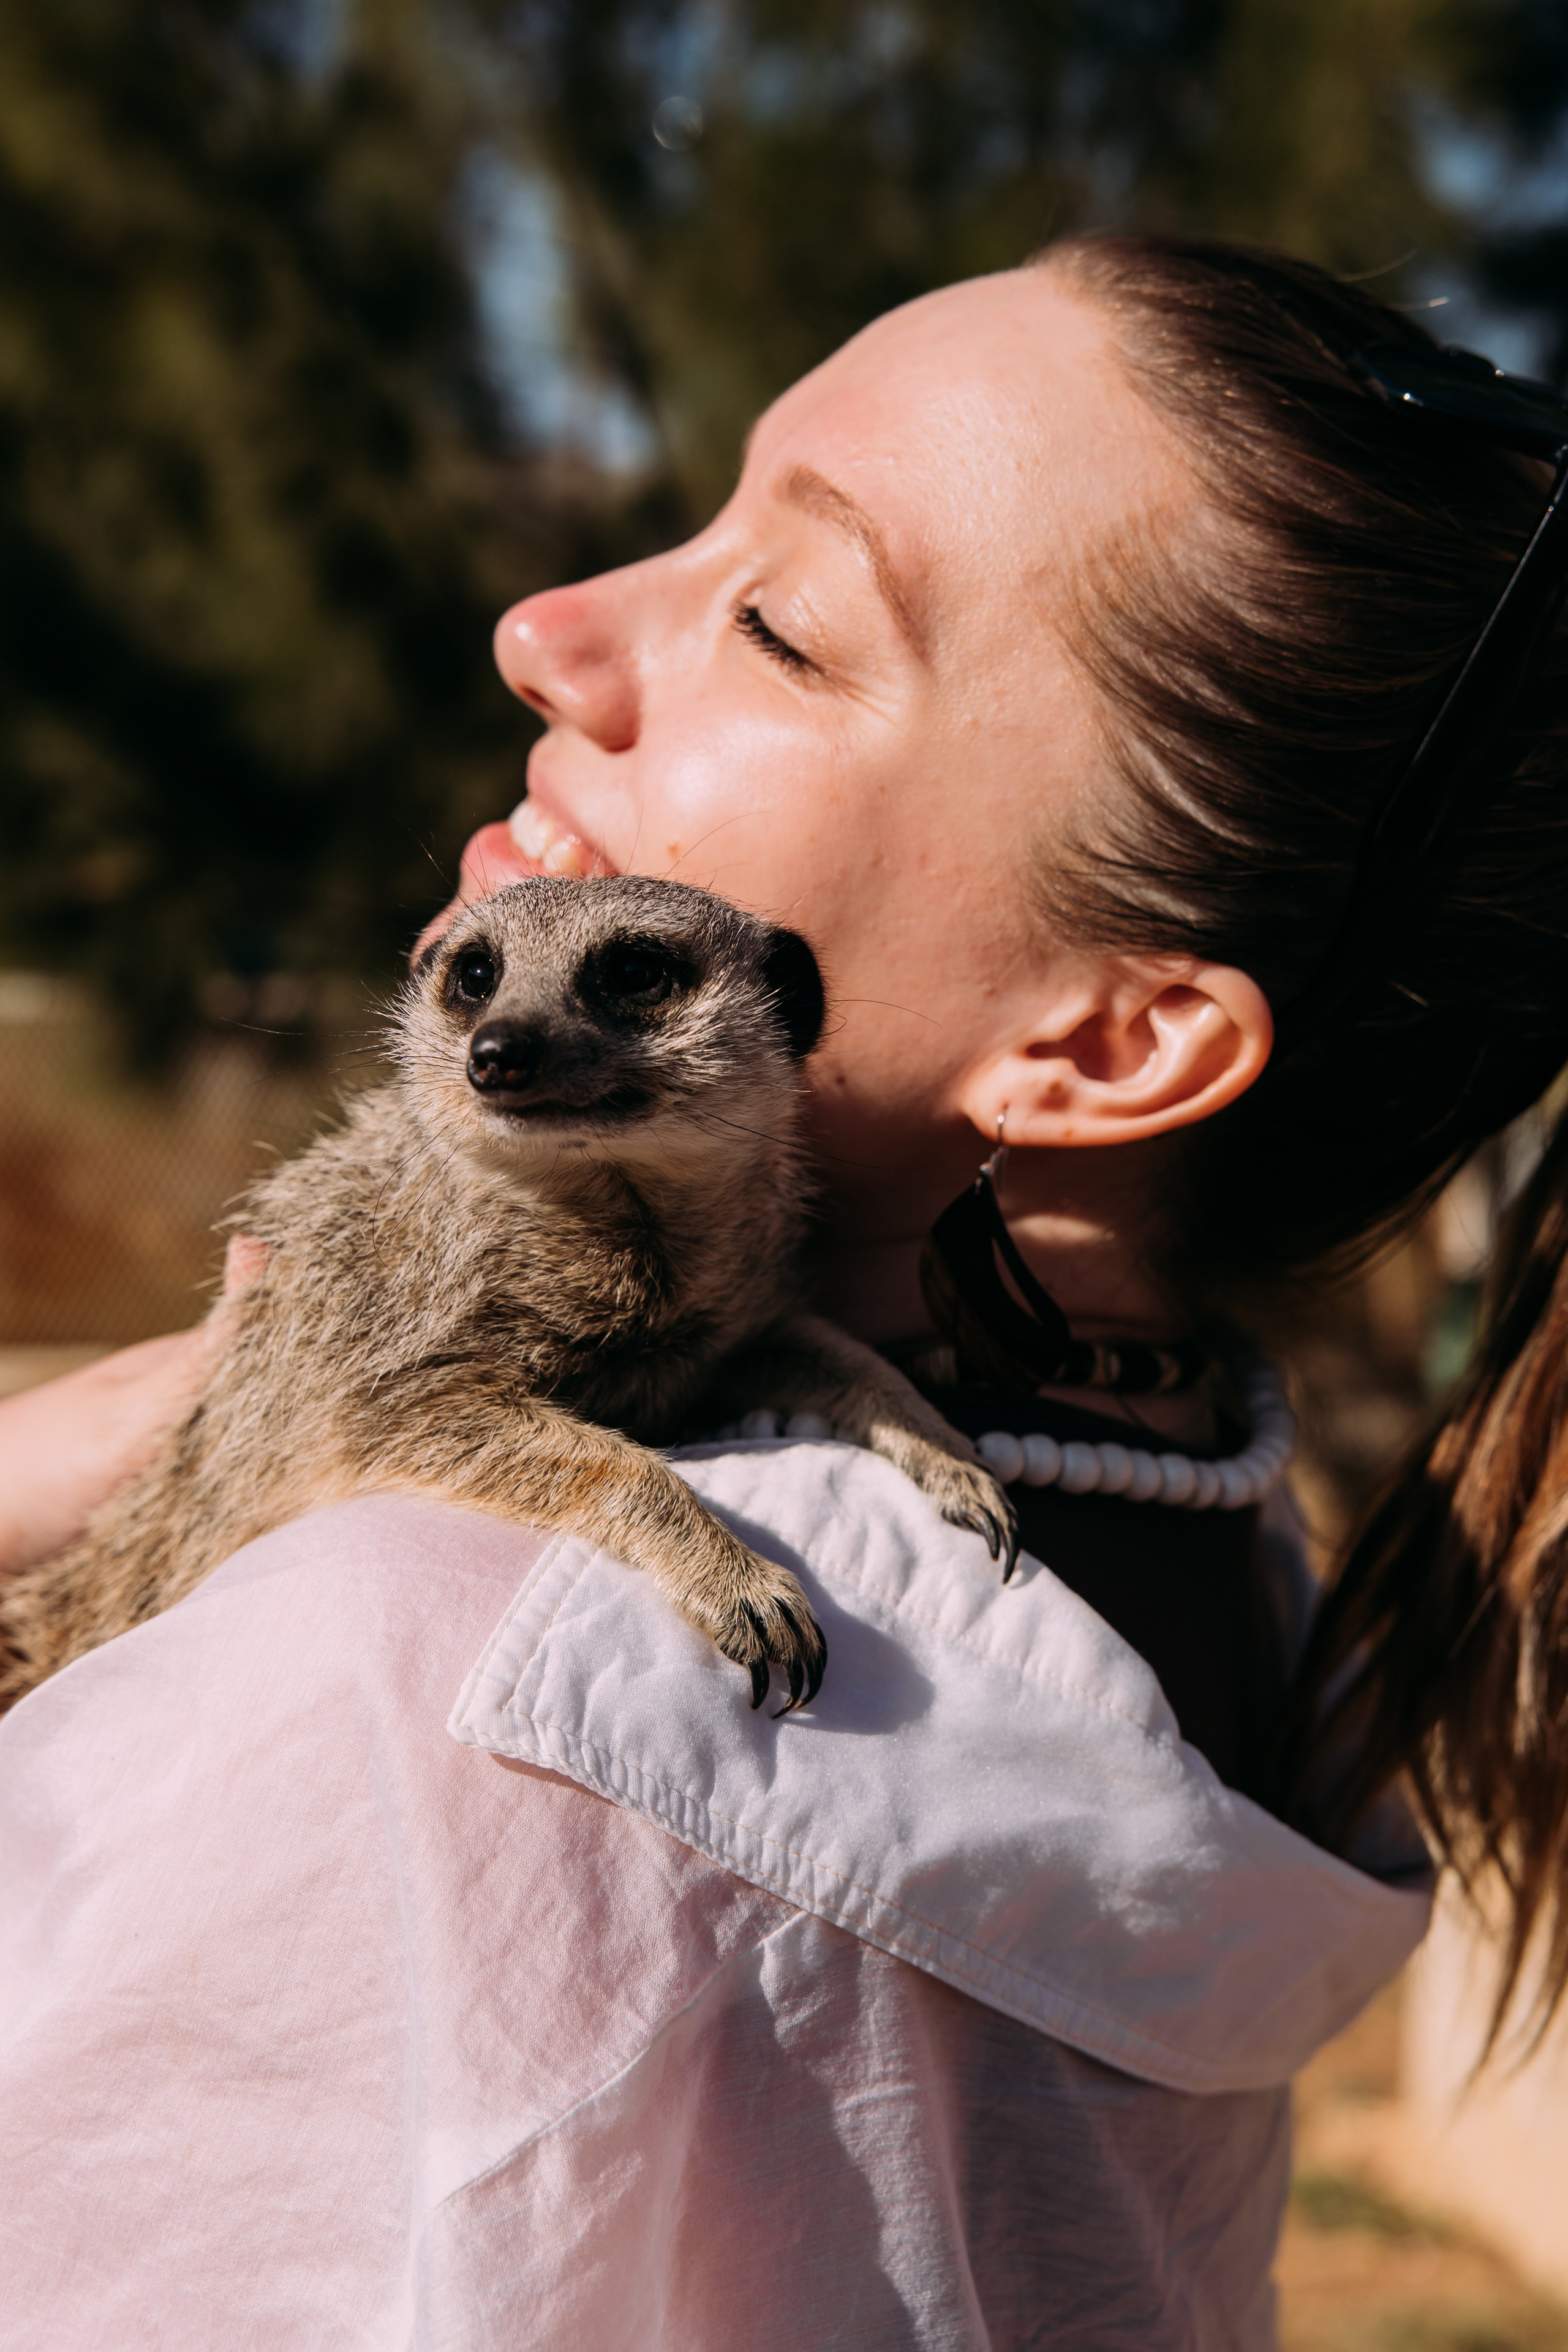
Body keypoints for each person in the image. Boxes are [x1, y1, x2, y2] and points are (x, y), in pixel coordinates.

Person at [2, 231, 1563, 2345]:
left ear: (1111, 1044)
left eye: (785, 624)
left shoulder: (441, 1667)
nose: (541, 629)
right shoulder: (1228, 1575)